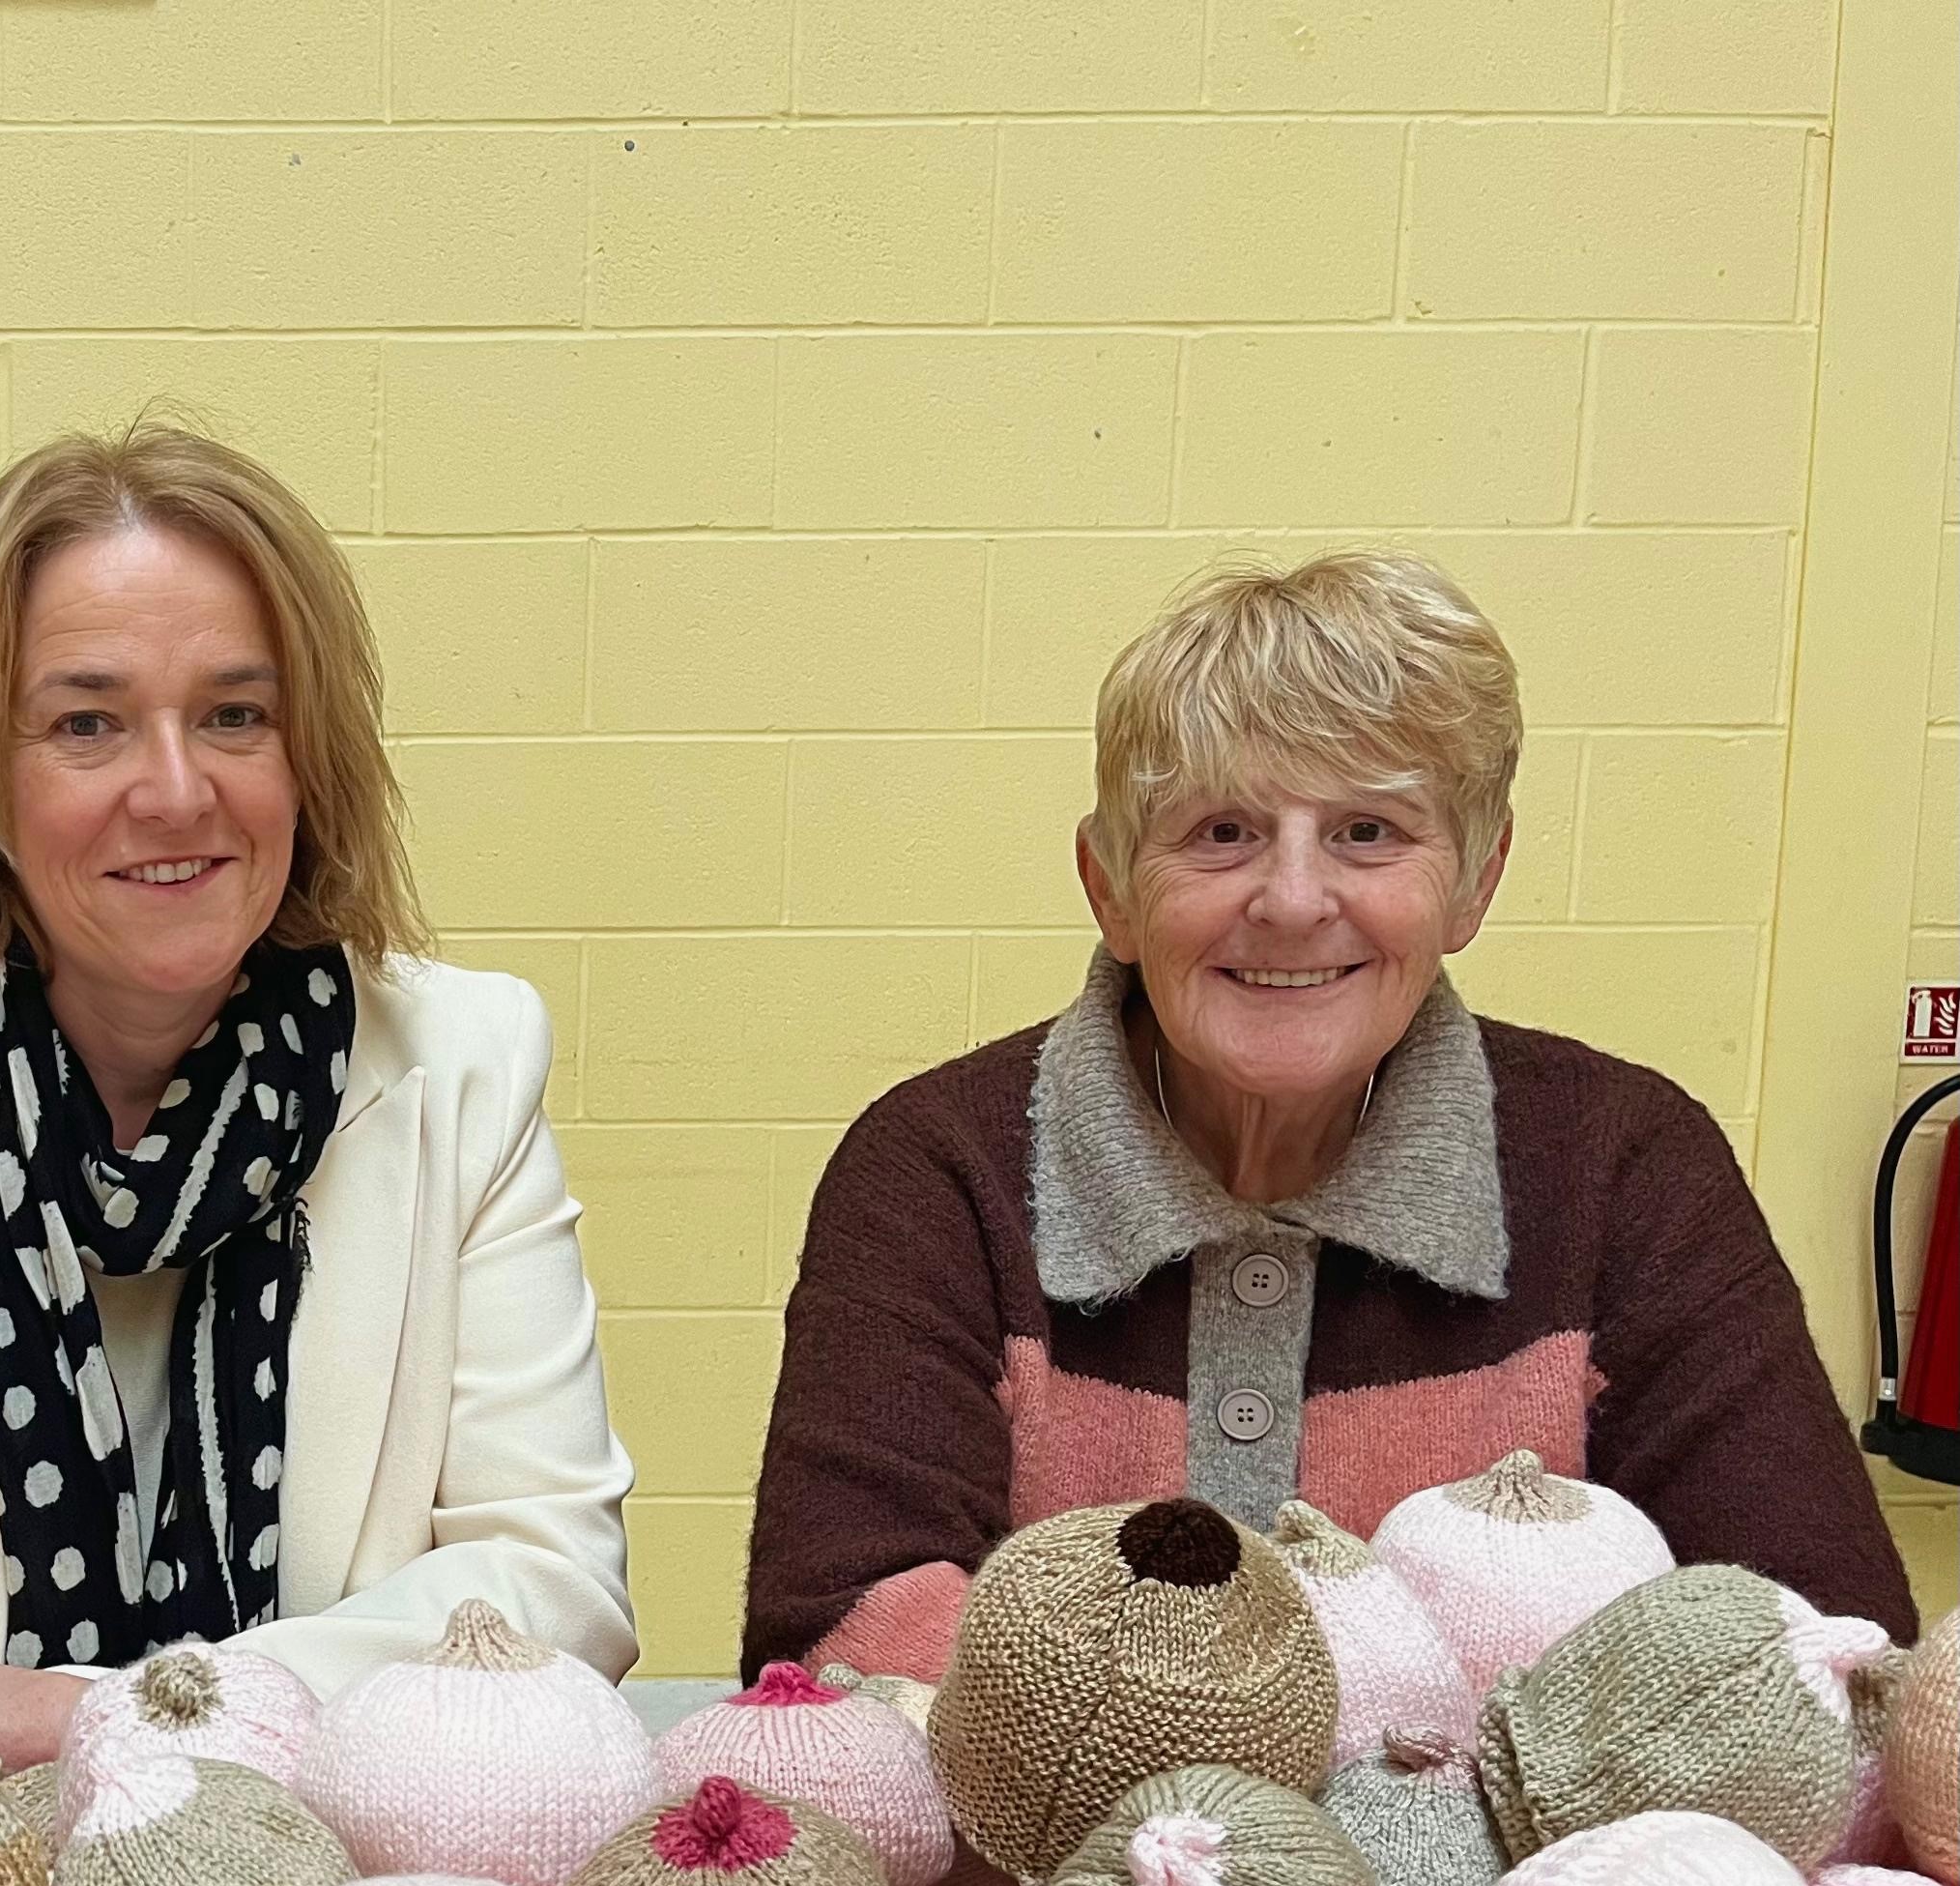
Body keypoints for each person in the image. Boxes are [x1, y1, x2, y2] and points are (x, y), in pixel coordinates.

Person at [0, 422, 634, 1769]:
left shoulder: (462, 1066)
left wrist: (127, 1723)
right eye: (87, 723)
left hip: (330, 1877)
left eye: (235, 716)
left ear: (307, 762)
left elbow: (554, 1595)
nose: (177, 789)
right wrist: (34, 1754)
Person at [743, 550, 1914, 1679]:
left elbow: (1824, 1646)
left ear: (1473, 882)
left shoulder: (1624, 1164)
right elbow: (838, 1652)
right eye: (1221, 833)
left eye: (1369, 832)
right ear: (1110, 888)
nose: (1294, 901)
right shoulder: (941, 1169)